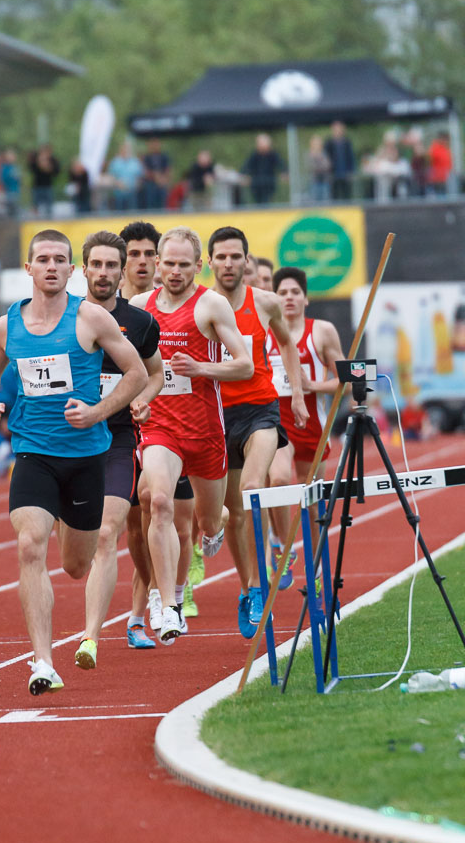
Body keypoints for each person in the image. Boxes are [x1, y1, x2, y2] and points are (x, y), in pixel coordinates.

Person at [0, 229, 147, 695]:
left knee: (75, 564)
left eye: (60, 260)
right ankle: (43, 662)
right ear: (28, 269)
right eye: (42, 259)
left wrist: (97, 412)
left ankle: (69, 636)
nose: (51, 266)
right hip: (32, 453)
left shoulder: (89, 318)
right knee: (30, 544)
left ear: (72, 271)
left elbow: (137, 373)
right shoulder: (8, 325)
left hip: (86, 456)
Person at [131, 226, 253, 643]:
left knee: (207, 520)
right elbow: (124, 369)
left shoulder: (211, 305)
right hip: (160, 426)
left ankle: (214, 528)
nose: (176, 271)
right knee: (160, 501)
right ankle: (168, 604)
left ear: (198, 266)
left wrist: (202, 369)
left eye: (185, 264)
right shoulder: (139, 306)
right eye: (169, 263)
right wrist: (136, 398)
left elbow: (245, 365)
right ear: (157, 264)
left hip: (206, 433)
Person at [207, 227, 307, 634]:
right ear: (210, 262)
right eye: (222, 257)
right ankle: (249, 587)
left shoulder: (265, 302)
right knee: (231, 517)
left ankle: (258, 581)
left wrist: (296, 394)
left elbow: (287, 345)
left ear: (247, 261)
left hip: (261, 409)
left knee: (252, 490)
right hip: (216, 414)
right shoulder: (199, 306)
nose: (229, 264)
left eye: (236, 257)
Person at [80, 230, 163, 664]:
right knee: (74, 557)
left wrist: (142, 400)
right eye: (97, 264)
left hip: (116, 439)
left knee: (108, 532)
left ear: (122, 270)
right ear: (84, 269)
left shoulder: (142, 322)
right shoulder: (62, 321)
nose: (105, 272)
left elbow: (156, 374)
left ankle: (90, 637)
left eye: (113, 265)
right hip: (67, 442)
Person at [267, 267, 345, 590]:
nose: (288, 298)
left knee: (313, 502)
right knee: (278, 480)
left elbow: (347, 380)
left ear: (305, 298)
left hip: (312, 424)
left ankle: (316, 568)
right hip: (275, 423)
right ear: (275, 298)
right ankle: (284, 549)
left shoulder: (322, 331)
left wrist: (313, 384)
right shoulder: (265, 330)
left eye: (294, 292)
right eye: (282, 293)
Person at [242, 134, 285, 205]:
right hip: (256, 185)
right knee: (258, 202)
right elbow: (246, 167)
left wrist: (284, 172)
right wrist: (245, 176)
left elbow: (282, 164)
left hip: (269, 184)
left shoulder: (273, 155)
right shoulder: (254, 155)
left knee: (266, 201)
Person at [107, 141, 143, 212]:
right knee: (118, 207)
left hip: (133, 191)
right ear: (120, 150)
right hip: (118, 191)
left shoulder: (135, 162)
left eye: (127, 149)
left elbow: (140, 177)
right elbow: (111, 177)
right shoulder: (115, 162)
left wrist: (136, 185)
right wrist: (118, 184)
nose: (125, 151)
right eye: (124, 149)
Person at [324, 121, 355, 201]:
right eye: (336, 129)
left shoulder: (347, 142)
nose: (338, 131)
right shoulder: (329, 143)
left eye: (340, 129)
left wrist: (351, 171)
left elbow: (351, 157)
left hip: (345, 173)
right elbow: (326, 158)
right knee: (334, 195)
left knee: (346, 195)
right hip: (333, 174)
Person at [28, 144, 60, 217]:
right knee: (35, 205)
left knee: (49, 207)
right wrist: (39, 163)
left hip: (48, 186)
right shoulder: (35, 160)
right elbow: (31, 169)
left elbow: (56, 172)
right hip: (37, 186)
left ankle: (49, 219)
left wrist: (48, 167)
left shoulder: (53, 160)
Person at [140, 139, 171, 210]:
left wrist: (163, 179)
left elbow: (168, 170)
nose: (155, 146)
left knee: (163, 203)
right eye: (153, 144)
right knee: (150, 201)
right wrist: (155, 176)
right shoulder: (147, 157)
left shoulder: (164, 156)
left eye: (156, 144)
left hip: (162, 183)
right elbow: (145, 171)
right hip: (150, 183)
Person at [306, 134, 331, 202]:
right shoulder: (308, 154)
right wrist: (320, 165)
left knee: (326, 201)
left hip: (325, 181)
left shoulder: (324, 154)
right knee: (314, 202)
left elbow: (328, 165)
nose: (317, 145)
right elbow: (311, 167)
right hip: (314, 182)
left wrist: (318, 165)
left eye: (319, 143)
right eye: (315, 143)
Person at [428, 131, 452, 196]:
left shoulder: (445, 149)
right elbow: (431, 160)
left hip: (445, 178)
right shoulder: (435, 148)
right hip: (437, 179)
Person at [0, 148, 22, 216]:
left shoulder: (15, 167)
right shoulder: (5, 168)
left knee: (16, 209)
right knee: (10, 210)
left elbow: (19, 179)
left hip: (16, 191)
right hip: (8, 192)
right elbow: (2, 179)